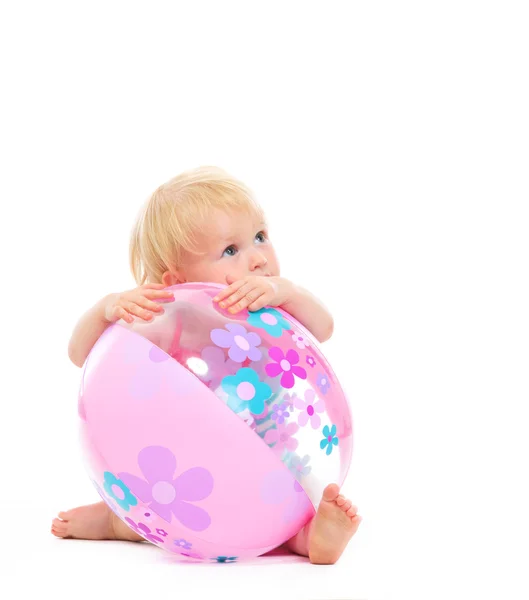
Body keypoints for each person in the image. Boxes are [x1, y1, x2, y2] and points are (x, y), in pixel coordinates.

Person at [51, 166, 362, 564]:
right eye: (231, 251)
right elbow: (80, 355)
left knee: (297, 503)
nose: (257, 260)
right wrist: (105, 309)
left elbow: (326, 326)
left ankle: (313, 536)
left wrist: (286, 291)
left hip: (279, 449)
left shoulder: (269, 303)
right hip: (183, 463)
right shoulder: (159, 320)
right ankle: (118, 523)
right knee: (159, 503)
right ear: (175, 279)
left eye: (260, 237)